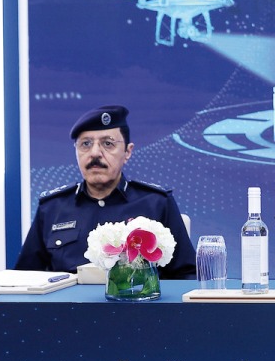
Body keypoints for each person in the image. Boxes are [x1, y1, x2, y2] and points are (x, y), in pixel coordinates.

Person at [14, 105, 197, 279]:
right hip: (67, 309)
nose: (95, 153)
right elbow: (25, 277)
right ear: (76, 151)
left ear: (127, 152)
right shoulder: (52, 208)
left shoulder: (156, 203)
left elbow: (187, 274)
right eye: (85, 144)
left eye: (107, 144)